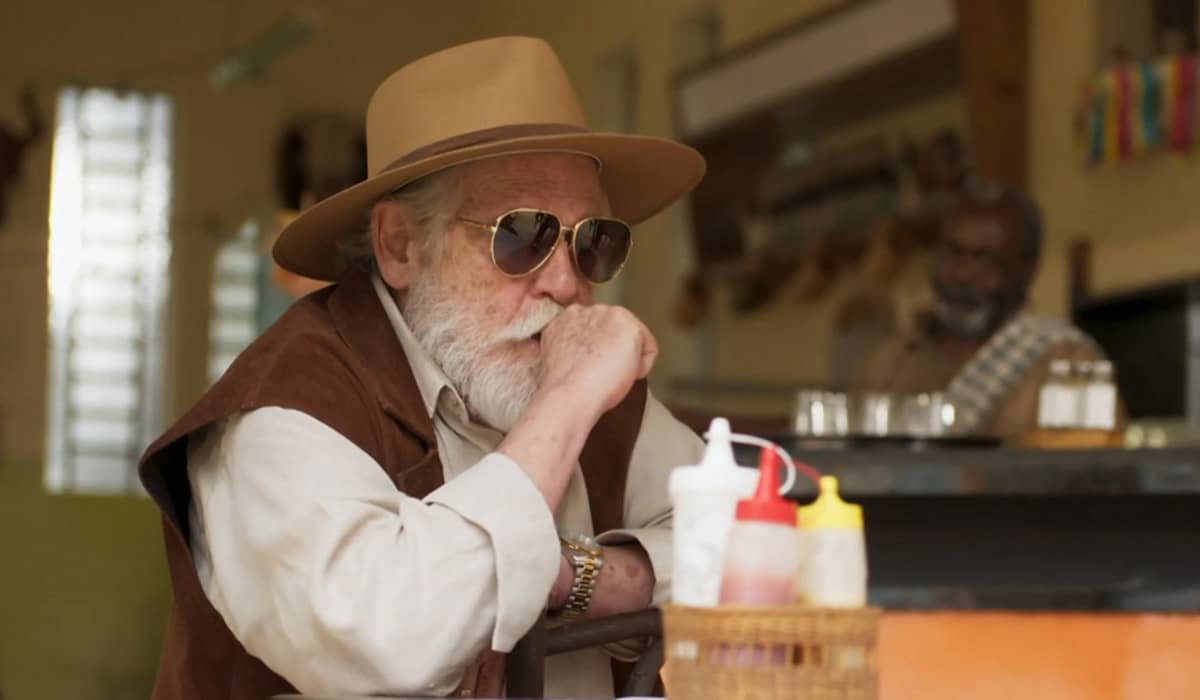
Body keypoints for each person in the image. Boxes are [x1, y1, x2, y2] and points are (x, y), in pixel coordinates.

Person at [138, 36, 707, 699]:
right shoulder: (281, 412)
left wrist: (573, 576)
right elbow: (393, 642)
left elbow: (760, 555)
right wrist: (567, 404)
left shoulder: (595, 394)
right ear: (401, 245)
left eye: (593, 242)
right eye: (523, 235)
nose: (567, 283)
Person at [853, 178, 1116, 443]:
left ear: (1027, 268)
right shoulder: (889, 364)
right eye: (953, 253)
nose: (962, 274)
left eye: (983, 258)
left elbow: (1091, 476)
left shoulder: (1069, 365)